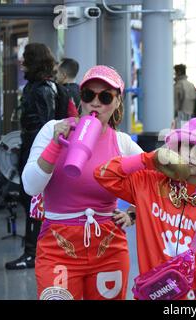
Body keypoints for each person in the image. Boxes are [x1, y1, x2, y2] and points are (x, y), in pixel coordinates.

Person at [21, 65, 143, 299]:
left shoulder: (122, 142)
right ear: (81, 98)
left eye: (105, 97)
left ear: (117, 102)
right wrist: (56, 144)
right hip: (58, 246)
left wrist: (132, 214)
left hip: (108, 246)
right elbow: (31, 186)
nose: (95, 103)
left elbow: (153, 185)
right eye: (88, 95)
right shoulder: (52, 130)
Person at [94, 117, 196, 300]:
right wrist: (150, 158)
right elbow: (103, 174)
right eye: (188, 145)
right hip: (153, 294)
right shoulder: (149, 183)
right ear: (177, 147)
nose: (191, 155)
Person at [6, 43, 60, 270]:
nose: (21, 62)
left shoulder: (41, 90)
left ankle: (32, 253)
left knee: (32, 202)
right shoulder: (44, 87)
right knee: (32, 202)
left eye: (25, 58)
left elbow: (44, 127)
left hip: (36, 153)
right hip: (34, 151)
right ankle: (34, 251)